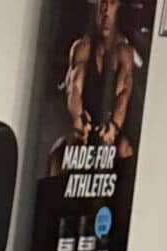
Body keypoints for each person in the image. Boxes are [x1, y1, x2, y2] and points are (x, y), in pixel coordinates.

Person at [55, 0, 138, 168]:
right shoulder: (82, 48)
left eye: (112, 4)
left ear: (118, 8)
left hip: (112, 125)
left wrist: (114, 127)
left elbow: (123, 95)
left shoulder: (124, 53)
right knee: (57, 155)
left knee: (124, 150)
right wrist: (78, 120)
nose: (106, 11)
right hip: (87, 122)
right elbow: (73, 88)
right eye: (103, 3)